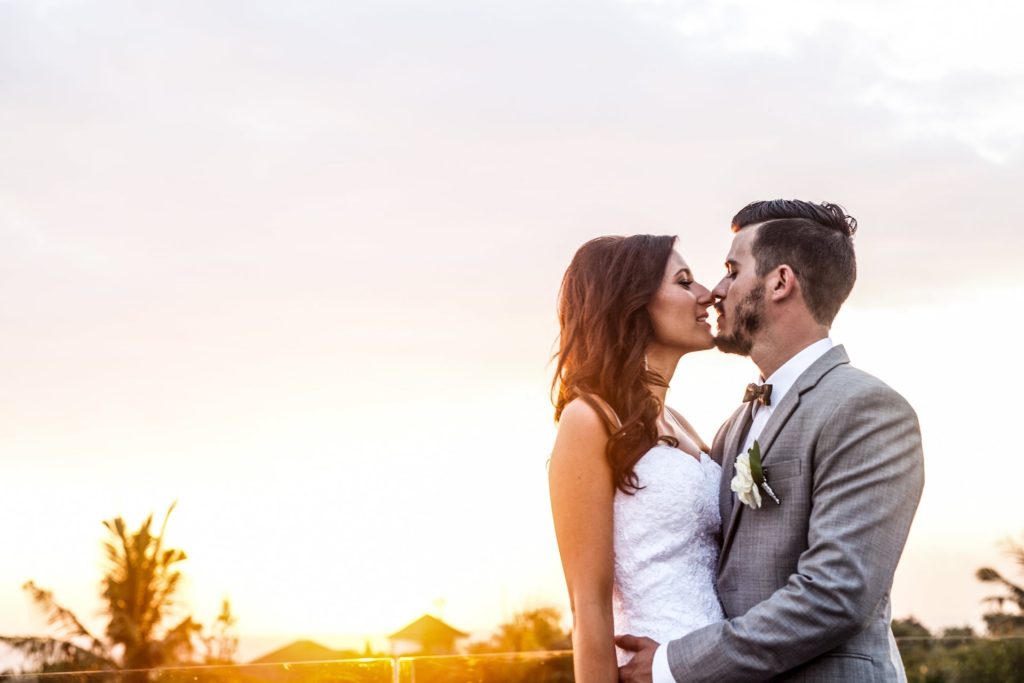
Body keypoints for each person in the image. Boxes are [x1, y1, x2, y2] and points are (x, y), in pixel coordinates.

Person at [617, 200, 925, 682]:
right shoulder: (732, 425)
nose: (717, 292)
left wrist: (671, 665)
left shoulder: (868, 409)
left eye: (732, 271)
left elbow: (835, 594)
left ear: (780, 282)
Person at [548, 234, 724, 683]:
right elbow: (588, 605)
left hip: (713, 666)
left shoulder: (681, 423)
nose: (708, 294)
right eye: (685, 282)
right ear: (633, 303)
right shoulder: (588, 419)